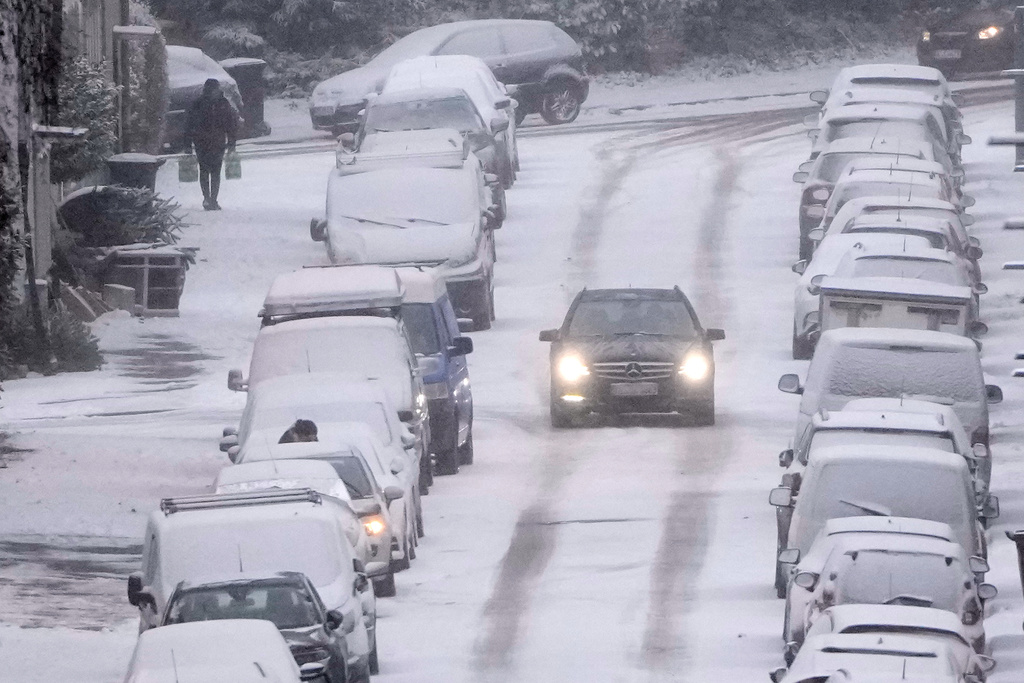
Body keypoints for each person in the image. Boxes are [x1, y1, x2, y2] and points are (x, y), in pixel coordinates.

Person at [185, 78, 237, 211]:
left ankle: (210, 198)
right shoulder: (221, 103)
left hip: (207, 141)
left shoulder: (200, 103)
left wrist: (187, 144)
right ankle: (210, 198)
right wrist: (231, 142)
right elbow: (230, 124)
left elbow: (189, 125)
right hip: (210, 141)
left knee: (210, 170)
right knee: (210, 170)